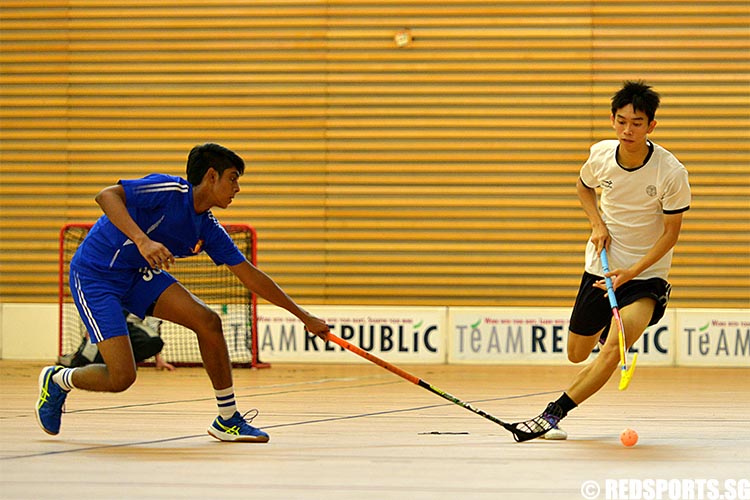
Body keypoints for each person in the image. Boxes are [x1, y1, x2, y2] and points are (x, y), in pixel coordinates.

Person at [35, 142, 330, 442]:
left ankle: (227, 419)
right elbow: (107, 195)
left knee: (208, 321)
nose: (237, 188)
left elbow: (251, 276)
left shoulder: (209, 228)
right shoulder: (169, 190)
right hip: (95, 274)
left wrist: (304, 316)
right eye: (233, 178)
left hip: (136, 275)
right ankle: (58, 380)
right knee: (122, 377)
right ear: (212, 176)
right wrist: (142, 241)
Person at [517, 81, 691, 441]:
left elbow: (670, 236)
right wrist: (597, 223)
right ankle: (606, 344)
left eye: (637, 123)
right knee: (577, 354)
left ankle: (553, 413)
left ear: (651, 126)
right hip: (601, 265)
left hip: (645, 275)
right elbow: (583, 186)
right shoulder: (600, 156)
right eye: (622, 121)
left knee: (615, 347)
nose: (628, 130)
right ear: (613, 120)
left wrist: (631, 273)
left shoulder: (671, 172)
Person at [60, 313, 175, 371]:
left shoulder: (147, 285)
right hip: (107, 326)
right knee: (85, 360)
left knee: (154, 342)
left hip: (132, 327)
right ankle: (74, 358)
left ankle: (127, 361)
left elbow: (153, 322)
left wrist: (158, 359)